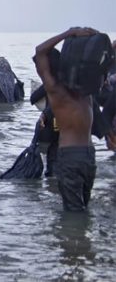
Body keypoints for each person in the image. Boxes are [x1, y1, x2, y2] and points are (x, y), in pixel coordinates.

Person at [33, 27, 102, 212]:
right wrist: (94, 39)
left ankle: (72, 239)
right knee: (83, 208)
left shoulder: (57, 92)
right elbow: (103, 60)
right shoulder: (88, 91)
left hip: (70, 155)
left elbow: (40, 51)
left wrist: (67, 34)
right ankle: (85, 239)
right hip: (90, 154)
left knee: (72, 211)